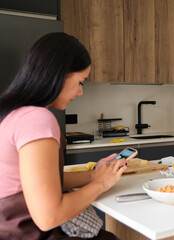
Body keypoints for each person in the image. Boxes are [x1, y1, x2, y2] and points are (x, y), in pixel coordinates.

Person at [0, 32, 126, 239]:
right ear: (60, 74)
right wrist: (100, 184)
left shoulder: (13, 112)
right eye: (80, 82)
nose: (80, 92)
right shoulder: (36, 118)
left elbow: (35, 183)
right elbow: (48, 217)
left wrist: (93, 175)